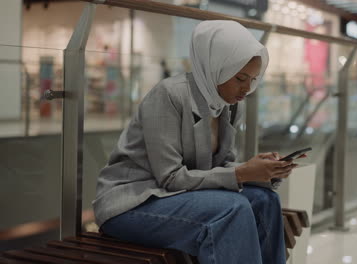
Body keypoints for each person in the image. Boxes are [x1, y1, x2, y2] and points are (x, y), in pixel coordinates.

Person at [93, 20, 302, 264]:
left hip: (179, 198)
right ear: (216, 67)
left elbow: (222, 166)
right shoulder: (170, 95)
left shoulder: (229, 106)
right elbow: (170, 178)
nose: (247, 89)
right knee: (232, 209)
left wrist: (261, 171)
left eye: (253, 80)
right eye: (240, 78)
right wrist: (241, 173)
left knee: (265, 200)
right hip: (133, 204)